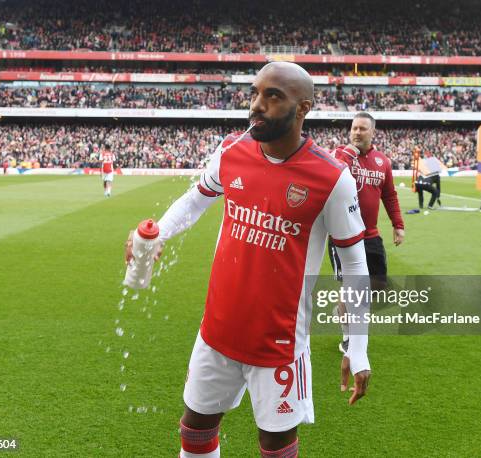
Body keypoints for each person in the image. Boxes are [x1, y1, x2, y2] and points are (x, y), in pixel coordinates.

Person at [126, 62, 371, 457]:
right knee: (195, 429)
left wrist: (357, 347)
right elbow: (195, 199)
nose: (257, 105)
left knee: (275, 447)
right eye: (255, 93)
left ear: (303, 108)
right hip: (217, 330)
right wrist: (159, 235)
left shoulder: (332, 178)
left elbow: (356, 265)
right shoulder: (231, 151)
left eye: (273, 96)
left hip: (279, 344)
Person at [330, 112, 405, 353]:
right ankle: (348, 336)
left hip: (370, 234)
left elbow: (390, 195)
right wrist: (347, 154)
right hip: (343, 234)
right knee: (351, 288)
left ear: (373, 132)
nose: (357, 133)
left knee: (379, 283)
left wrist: (398, 224)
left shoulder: (382, 162)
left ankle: (341, 309)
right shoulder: (340, 155)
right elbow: (329, 178)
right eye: (354, 128)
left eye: (362, 129)